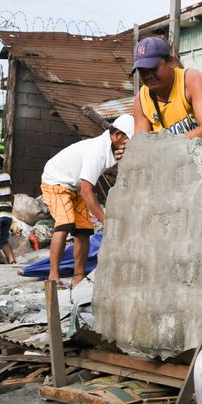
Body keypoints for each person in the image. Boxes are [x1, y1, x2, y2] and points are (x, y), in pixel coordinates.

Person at [40, 113, 134, 286]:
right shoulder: (96, 152)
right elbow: (87, 191)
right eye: (127, 140)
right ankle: (53, 276)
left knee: (84, 229)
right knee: (65, 223)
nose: (128, 145)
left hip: (73, 186)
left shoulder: (112, 147)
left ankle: (79, 276)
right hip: (55, 181)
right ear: (117, 135)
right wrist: (106, 221)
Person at [131, 37, 202, 150]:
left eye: (153, 68)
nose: (148, 75)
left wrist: (164, 143)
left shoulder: (191, 80)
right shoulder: (140, 101)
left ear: (171, 61)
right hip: (188, 159)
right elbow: (142, 147)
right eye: (142, 71)